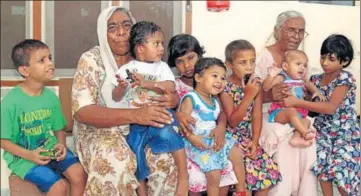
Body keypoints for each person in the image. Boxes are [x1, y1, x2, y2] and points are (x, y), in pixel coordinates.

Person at [72, 7, 180, 195]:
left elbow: (169, 89)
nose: (121, 32)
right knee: (116, 160)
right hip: (100, 131)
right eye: (112, 27)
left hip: (144, 127)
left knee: (164, 155)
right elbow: (82, 111)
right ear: (102, 33)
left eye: (127, 25)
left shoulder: (145, 56)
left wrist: (172, 100)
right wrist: (136, 115)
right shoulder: (92, 60)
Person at [111, 21, 187, 196]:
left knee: (170, 135)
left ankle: (183, 176)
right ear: (140, 48)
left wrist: (147, 83)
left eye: (161, 43)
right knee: (134, 150)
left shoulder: (161, 67)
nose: (161, 48)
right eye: (156, 44)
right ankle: (142, 191)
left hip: (161, 116)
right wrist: (122, 86)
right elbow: (116, 97)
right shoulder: (128, 69)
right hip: (137, 121)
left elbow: (170, 86)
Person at [1, 39, 86, 196]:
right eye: (42, 60)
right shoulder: (10, 103)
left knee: (79, 173)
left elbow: (58, 129)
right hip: (23, 158)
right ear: (25, 71)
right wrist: (29, 155)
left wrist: (61, 145)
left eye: (50, 58)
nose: (50, 64)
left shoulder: (50, 97)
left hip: (51, 150)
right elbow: (3, 141)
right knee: (59, 186)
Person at [283, 34, 360, 196]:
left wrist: (297, 103)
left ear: (344, 61)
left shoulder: (345, 79)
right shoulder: (315, 80)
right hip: (322, 132)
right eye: (323, 57)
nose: (325, 63)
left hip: (345, 134)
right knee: (323, 170)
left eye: (331, 59)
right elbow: (311, 108)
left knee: (342, 174)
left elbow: (331, 108)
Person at [255, 10, 318, 196]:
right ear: (277, 31)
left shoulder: (300, 58)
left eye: (301, 31)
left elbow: (304, 88)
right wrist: (270, 95)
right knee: (284, 148)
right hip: (270, 115)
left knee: (310, 145)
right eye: (291, 30)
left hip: (296, 114)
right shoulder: (263, 58)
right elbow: (252, 96)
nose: (296, 36)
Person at [167, 34, 237, 195]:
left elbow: (219, 112)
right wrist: (177, 115)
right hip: (189, 139)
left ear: (200, 55)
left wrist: (221, 127)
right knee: (196, 179)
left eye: (191, 58)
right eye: (180, 61)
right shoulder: (175, 85)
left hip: (210, 136)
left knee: (225, 169)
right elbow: (172, 110)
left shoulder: (213, 82)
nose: (187, 65)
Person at [220, 40, 282, 196]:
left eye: (252, 61)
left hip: (248, 138)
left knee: (265, 178)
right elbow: (232, 121)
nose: (249, 67)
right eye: (242, 63)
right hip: (230, 139)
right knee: (246, 180)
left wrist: (255, 142)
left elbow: (256, 114)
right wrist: (248, 95)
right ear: (229, 65)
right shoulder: (225, 87)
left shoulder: (256, 83)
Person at [179, 57, 247, 196]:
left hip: (213, 138)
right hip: (197, 141)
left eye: (222, 78)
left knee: (237, 154)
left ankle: (241, 191)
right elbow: (183, 124)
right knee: (214, 173)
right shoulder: (190, 98)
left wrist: (219, 129)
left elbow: (221, 115)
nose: (219, 81)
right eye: (214, 76)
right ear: (198, 77)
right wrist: (192, 138)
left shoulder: (214, 100)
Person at [263, 50, 325, 147]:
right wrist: (271, 75)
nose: (302, 68)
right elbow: (266, 87)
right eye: (298, 64)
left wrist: (317, 93)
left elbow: (310, 86)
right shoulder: (282, 77)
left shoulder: (303, 80)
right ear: (285, 66)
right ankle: (305, 133)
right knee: (291, 111)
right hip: (280, 111)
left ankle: (296, 138)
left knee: (306, 121)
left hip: (299, 113)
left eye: (305, 65)